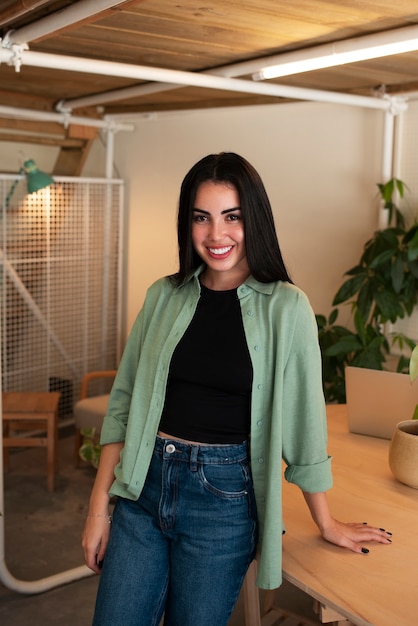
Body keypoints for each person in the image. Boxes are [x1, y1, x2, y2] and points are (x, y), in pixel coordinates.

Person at [82, 152, 392, 626]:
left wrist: (325, 521)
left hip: (222, 502)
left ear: (255, 220)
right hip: (142, 488)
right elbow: (123, 406)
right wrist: (98, 509)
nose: (216, 235)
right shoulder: (163, 296)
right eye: (201, 218)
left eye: (232, 217)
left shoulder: (286, 308)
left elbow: (304, 423)